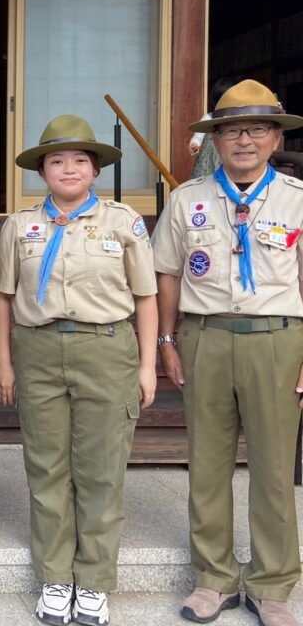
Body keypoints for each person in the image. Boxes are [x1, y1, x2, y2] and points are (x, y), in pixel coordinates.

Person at [0, 115, 158, 626]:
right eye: (57, 160)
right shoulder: (20, 226)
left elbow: (146, 296)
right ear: (42, 171)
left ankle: (94, 580)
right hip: (38, 350)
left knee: (101, 469)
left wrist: (148, 365)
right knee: (47, 468)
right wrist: (4, 362)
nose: (69, 169)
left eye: (80, 160)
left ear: (95, 170)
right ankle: (55, 577)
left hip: (105, 348)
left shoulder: (123, 222)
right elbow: (3, 297)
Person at [153, 80, 303, 626]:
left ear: (275, 138)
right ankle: (213, 578)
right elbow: (168, 274)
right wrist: (167, 340)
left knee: (274, 468)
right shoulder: (186, 200)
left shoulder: (297, 199)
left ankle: (272, 585)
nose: (244, 140)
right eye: (232, 130)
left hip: (276, 340)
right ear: (215, 140)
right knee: (208, 465)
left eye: (257, 129)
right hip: (206, 337)